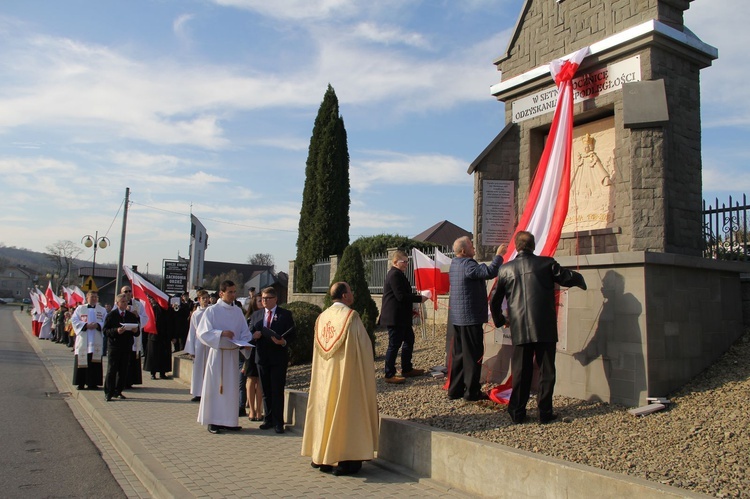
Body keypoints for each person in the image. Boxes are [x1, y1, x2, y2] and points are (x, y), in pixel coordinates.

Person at [490, 231, 586, 424]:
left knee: (521, 372)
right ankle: (545, 412)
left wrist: (501, 320)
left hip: (519, 328)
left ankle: (517, 412)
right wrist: (581, 279)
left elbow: (494, 300)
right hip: (544, 327)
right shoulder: (546, 263)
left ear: (517, 247)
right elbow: (566, 277)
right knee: (547, 372)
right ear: (533, 246)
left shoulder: (506, 269)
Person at [301, 282, 379, 476]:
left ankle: (322, 458)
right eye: (350, 291)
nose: (352, 294)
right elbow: (363, 347)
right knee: (347, 412)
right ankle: (346, 460)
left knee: (324, 411)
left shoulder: (322, 317)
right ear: (344, 296)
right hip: (346, 376)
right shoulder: (350, 317)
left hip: (324, 378)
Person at [447, 236, 507, 401]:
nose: (474, 248)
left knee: (459, 355)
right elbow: (489, 272)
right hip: (470, 318)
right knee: (473, 356)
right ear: (464, 251)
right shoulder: (467, 264)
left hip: (458, 319)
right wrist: (499, 255)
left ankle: (455, 389)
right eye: (472, 246)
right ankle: (472, 392)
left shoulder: (454, 264)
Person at [196, 280, 254, 434]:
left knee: (231, 389)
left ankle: (229, 421)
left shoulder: (237, 312)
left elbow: (244, 331)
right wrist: (221, 333)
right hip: (218, 354)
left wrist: (246, 343)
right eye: (230, 292)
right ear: (221, 293)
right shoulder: (212, 311)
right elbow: (202, 332)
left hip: (233, 354)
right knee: (216, 387)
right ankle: (213, 421)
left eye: (235, 292)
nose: (233, 295)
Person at [250, 286, 295, 434]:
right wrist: (254, 336)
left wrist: (283, 342)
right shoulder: (256, 315)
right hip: (261, 357)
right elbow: (248, 334)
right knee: (266, 391)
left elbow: (292, 335)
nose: (264, 301)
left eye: (267, 299)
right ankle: (267, 419)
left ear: (275, 299)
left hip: (278, 358)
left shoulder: (285, 315)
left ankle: (278, 422)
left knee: (277, 390)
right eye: (262, 298)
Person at [380, 250, 428, 384]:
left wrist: (412, 309)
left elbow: (402, 295)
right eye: (404, 261)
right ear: (395, 262)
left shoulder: (399, 274)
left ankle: (407, 368)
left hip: (401, 316)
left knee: (409, 340)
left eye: (407, 261)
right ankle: (389, 374)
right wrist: (419, 298)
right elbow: (400, 296)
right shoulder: (394, 274)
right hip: (395, 317)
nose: (406, 264)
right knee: (394, 345)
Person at [102, 293, 141, 401]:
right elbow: (105, 331)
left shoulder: (131, 316)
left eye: (126, 302)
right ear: (117, 303)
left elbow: (137, 332)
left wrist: (135, 330)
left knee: (123, 370)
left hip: (126, 346)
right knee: (112, 370)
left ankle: (118, 391)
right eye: (122, 302)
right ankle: (109, 392)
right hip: (114, 346)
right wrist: (116, 331)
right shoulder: (111, 315)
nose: (125, 304)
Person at [70, 291, 107, 390]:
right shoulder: (80, 308)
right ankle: (80, 383)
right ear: (87, 298)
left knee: (94, 362)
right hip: (84, 338)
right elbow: (74, 320)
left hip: (96, 339)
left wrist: (98, 325)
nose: (94, 299)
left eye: (96, 297)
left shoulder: (102, 310)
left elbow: (106, 322)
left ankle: (93, 383)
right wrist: (85, 325)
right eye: (92, 297)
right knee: (82, 361)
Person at [184, 289, 210, 402]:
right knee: (198, 369)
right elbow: (192, 331)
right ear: (199, 300)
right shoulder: (196, 314)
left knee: (209, 368)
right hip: (199, 343)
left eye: (207, 298)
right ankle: (198, 392)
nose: (206, 300)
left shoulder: (211, 311)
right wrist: (191, 349)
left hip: (210, 343)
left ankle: (209, 392)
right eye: (203, 298)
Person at [243, 293, 264, 421]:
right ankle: (251, 409)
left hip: (263, 352)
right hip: (251, 351)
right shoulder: (249, 318)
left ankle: (259, 409)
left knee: (260, 381)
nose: (262, 302)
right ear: (254, 303)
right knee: (251, 380)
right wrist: (252, 336)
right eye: (260, 301)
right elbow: (244, 336)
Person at [144, 297, 173, 380]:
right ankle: (153, 373)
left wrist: (173, 336)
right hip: (154, 336)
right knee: (153, 356)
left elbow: (172, 323)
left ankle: (162, 373)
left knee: (164, 356)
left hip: (165, 337)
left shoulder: (169, 310)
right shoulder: (154, 308)